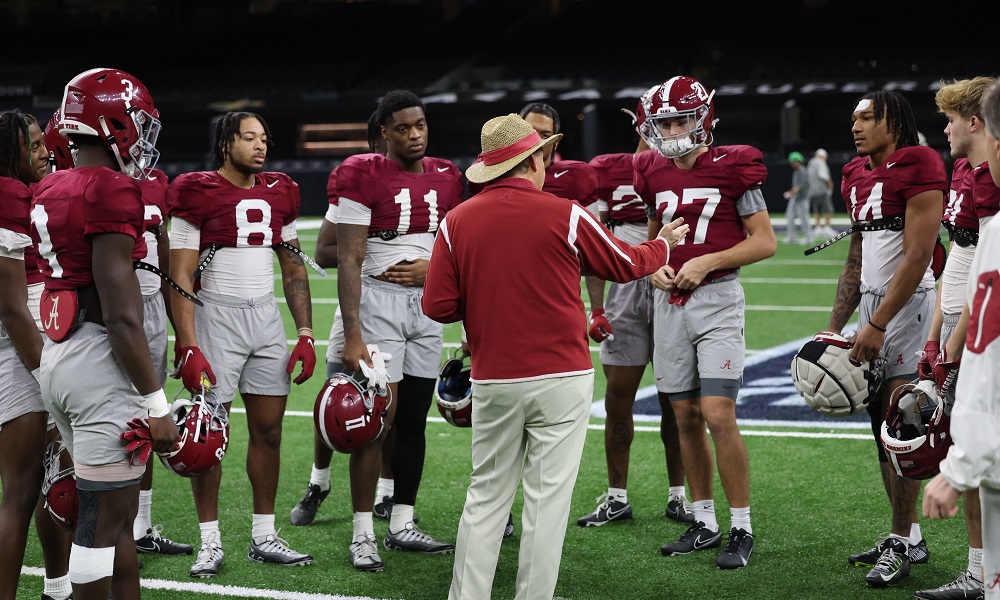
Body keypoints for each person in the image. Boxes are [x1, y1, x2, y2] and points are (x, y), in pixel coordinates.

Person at [423, 112, 688, 600]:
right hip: (562, 375)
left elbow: (437, 306)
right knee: (546, 506)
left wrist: (482, 296)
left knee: (485, 499)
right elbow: (627, 264)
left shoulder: (455, 221)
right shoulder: (565, 212)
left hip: (495, 377)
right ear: (535, 160)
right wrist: (664, 244)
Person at [30, 68, 179, 600]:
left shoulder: (51, 182)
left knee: (112, 523)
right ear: (112, 122)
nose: (144, 134)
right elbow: (121, 314)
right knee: (102, 522)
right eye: (137, 122)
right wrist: (157, 402)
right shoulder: (113, 187)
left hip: (62, 357)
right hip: (100, 364)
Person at [634, 75, 776, 570]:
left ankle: (741, 527)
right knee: (685, 417)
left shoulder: (734, 165)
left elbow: (764, 241)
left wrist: (707, 262)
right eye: (663, 122)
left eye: (679, 120)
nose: (671, 131)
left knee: (717, 413)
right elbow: (652, 240)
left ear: (703, 118)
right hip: (669, 305)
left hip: (716, 300)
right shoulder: (651, 169)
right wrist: (654, 267)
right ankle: (704, 520)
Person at [168, 111, 316, 577]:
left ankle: (264, 534)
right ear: (225, 142)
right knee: (207, 436)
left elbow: (293, 270)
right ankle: (209, 542)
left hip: (265, 317)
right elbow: (181, 273)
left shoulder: (281, 190)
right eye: (249, 137)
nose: (260, 145)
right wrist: (188, 343)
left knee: (269, 430)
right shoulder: (197, 189)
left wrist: (306, 334)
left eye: (264, 138)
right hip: (217, 315)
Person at [336, 89, 464, 572]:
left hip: (428, 308)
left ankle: (403, 522)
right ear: (384, 132)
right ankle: (363, 531)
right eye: (404, 127)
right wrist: (352, 336)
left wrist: (433, 270)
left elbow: (455, 247)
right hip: (380, 303)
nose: (415, 134)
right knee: (375, 422)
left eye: (421, 125)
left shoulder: (449, 175)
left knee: (412, 418)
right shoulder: (361, 172)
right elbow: (348, 258)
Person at [826, 90, 946, 587]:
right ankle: (909, 535)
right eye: (853, 118)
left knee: (903, 423)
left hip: (913, 302)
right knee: (880, 425)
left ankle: (898, 539)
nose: (856, 126)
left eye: (867, 117)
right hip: (876, 302)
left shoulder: (919, 162)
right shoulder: (855, 174)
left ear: (893, 122)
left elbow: (918, 256)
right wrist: (837, 324)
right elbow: (856, 258)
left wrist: (876, 326)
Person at [290, 110, 406, 528]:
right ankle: (319, 482)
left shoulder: (423, 185)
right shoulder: (358, 185)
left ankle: (388, 493)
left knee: (392, 409)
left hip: (408, 309)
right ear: (379, 140)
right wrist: (377, 238)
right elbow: (323, 252)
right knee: (335, 398)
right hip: (360, 303)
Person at [574, 136, 693, 528]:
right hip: (624, 281)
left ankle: (679, 496)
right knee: (617, 399)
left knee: (676, 401)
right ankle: (617, 497)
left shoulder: (688, 163)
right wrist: (596, 308)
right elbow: (595, 244)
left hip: (673, 279)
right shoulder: (607, 167)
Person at [915, 76, 999, 600]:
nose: (944, 128)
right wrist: (935, 337)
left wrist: (952, 346)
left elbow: (985, 275)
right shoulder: (966, 168)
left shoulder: (992, 177)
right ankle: (979, 569)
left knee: (980, 444)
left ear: (977, 123)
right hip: (957, 324)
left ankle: (982, 574)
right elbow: (956, 258)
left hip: (978, 330)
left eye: (951, 119)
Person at [0, 109, 58, 600]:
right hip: (21, 342)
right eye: (33, 145)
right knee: (20, 489)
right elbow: (13, 308)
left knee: (49, 479)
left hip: (28, 336)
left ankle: (57, 589)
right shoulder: (8, 194)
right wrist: (52, 373)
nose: (44, 152)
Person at [783, 151, 812, 245]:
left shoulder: (802, 171)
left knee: (804, 218)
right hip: (795, 198)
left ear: (798, 161)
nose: (792, 164)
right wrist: (792, 193)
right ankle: (792, 237)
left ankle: (809, 238)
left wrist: (789, 193)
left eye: (793, 161)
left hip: (802, 199)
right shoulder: (796, 172)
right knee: (789, 216)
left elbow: (800, 186)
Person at [807, 148, 835, 236]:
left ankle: (818, 228)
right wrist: (830, 185)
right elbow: (823, 175)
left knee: (816, 210)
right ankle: (827, 228)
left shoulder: (811, 163)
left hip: (813, 191)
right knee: (828, 209)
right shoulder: (820, 162)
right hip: (822, 190)